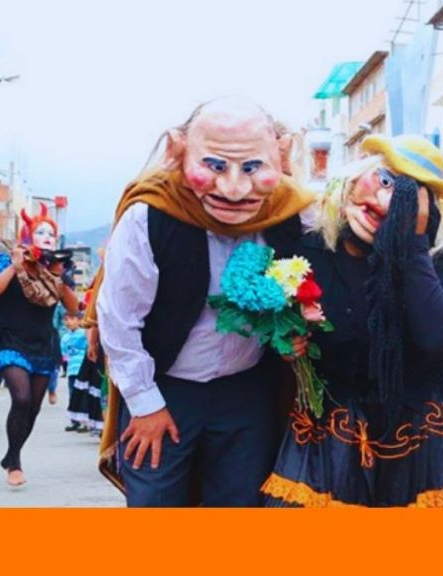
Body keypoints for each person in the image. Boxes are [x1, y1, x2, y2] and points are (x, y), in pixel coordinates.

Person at [262, 136, 443, 507]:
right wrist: (288, 343)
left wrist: (412, 244)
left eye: (410, 196)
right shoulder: (309, 250)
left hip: (421, 429)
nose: (386, 202)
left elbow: (434, 337)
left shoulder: (437, 259)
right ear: (353, 178)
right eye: (384, 181)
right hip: (337, 431)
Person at [92, 98, 312, 506]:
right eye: (214, 165)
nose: (233, 188)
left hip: (247, 392)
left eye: (252, 167)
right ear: (178, 151)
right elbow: (120, 320)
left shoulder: (294, 211)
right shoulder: (150, 214)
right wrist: (144, 404)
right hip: (165, 389)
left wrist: (298, 335)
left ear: (281, 155)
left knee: (240, 509)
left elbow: (332, 271)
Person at [0, 206, 80, 485]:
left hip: (43, 344)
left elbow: (74, 309)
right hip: (10, 339)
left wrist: (60, 276)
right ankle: (15, 463)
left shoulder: (55, 267)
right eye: (41, 231)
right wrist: (15, 266)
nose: (47, 237)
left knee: (33, 408)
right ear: (27, 234)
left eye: (51, 233)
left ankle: (12, 453)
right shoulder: (5, 261)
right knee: (21, 398)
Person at [61, 312, 90, 432]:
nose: (68, 322)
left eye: (72, 319)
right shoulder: (65, 338)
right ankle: (75, 421)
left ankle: (85, 422)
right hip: (72, 371)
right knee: (73, 395)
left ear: (79, 320)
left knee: (84, 395)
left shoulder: (84, 334)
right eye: (66, 319)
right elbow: (64, 355)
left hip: (83, 370)